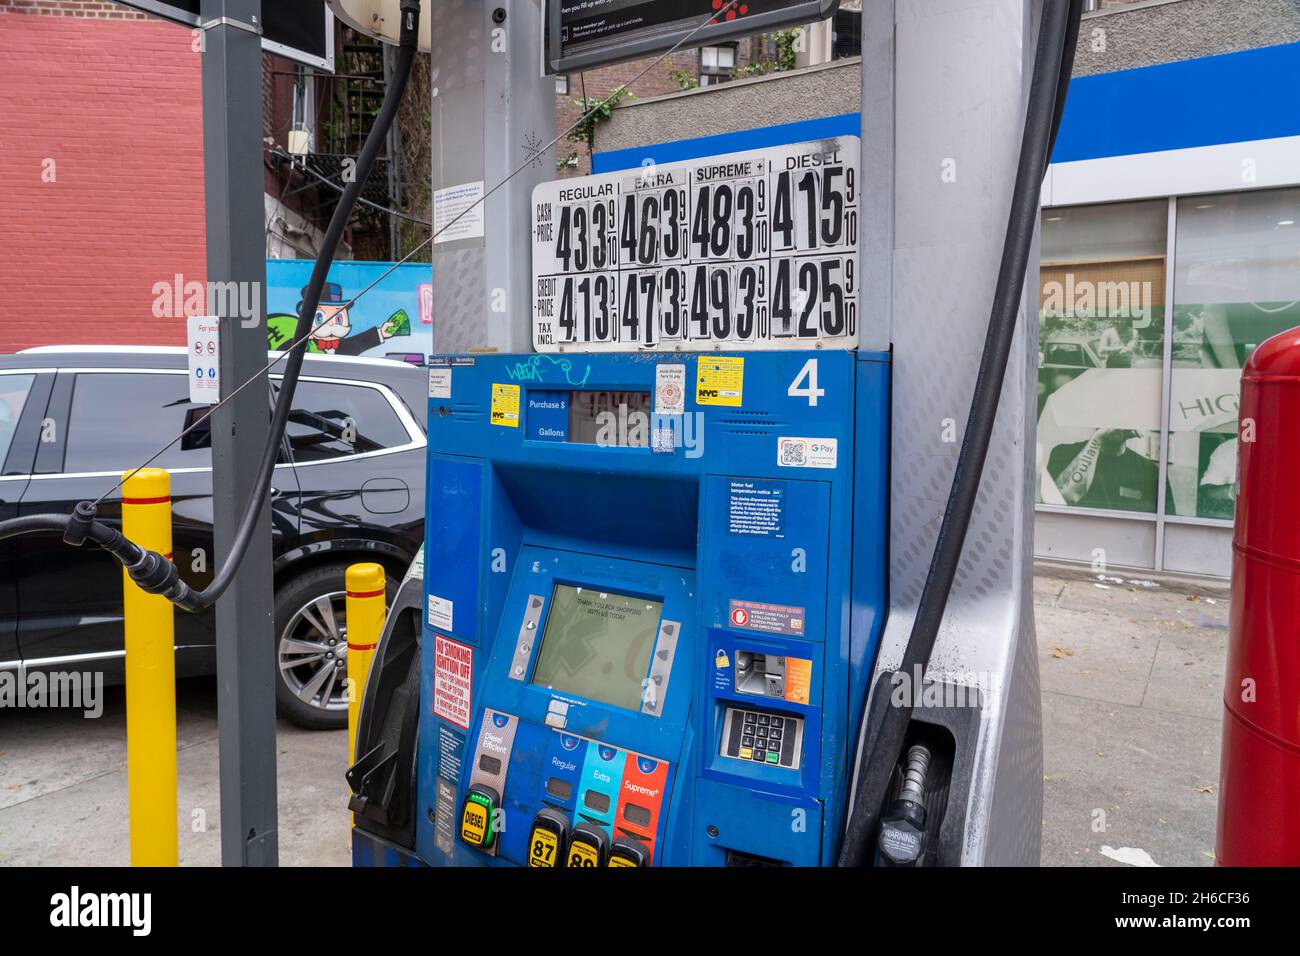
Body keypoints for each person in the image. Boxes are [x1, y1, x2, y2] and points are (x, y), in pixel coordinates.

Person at [1048, 427, 1170, 513]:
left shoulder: (1150, 471)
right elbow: (1065, 498)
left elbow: (1166, 524)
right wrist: (1098, 439)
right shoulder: (1064, 454)